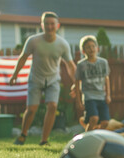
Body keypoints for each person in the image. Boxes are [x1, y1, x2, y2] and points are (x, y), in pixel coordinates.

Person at [10, 11, 76, 146]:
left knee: (52, 106)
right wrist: (15, 74)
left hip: (53, 79)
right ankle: (23, 134)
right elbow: (23, 58)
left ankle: (44, 140)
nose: (49, 26)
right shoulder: (33, 41)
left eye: (52, 24)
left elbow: (70, 65)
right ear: (42, 25)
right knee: (31, 109)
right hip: (36, 78)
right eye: (47, 24)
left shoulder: (62, 44)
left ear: (57, 26)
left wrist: (76, 83)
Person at [75, 35, 111, 131]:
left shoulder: (103, 62)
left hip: (101, 96)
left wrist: (108, 95)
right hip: (89, 97)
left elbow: (106, 79)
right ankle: (87, 139)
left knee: (105, 122)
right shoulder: (81, 65)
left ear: (97, 48)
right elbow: (77, 81)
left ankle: (95, 136)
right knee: (94, 118)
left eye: (93, 46)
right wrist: (78, 101)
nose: (91, 49)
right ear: (83, 51)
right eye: (88, 47)